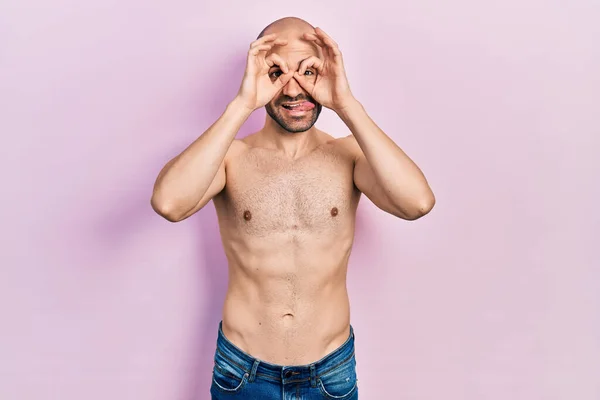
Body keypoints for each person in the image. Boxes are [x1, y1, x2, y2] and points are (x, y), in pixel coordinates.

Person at [151, 16, 435, 400]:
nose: (294, 87)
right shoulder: (232, 158)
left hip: (329, 372)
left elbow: (416, 203)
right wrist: (243, 103)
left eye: (308, 70)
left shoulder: (348, 154)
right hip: (243, 372)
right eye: (276, 71)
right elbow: (170, 203)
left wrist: (346, 103)